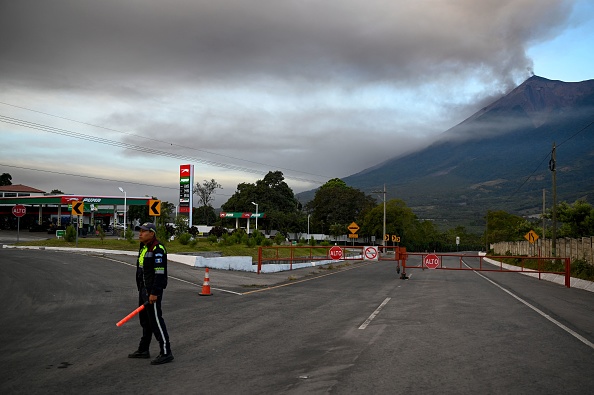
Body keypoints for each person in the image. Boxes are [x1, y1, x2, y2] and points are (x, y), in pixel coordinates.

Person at [128, 222, 174, 365]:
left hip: (151, 292)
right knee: (145, 321)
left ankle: (166, 352)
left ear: (152, 233)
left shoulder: (157, 249)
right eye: (140, 231)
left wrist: (154, 293)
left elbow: (159, 274)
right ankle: (143, 349)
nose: (140, 234)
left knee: (156, 321)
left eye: (144, 231)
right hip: (143, 290)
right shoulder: (144, 247)